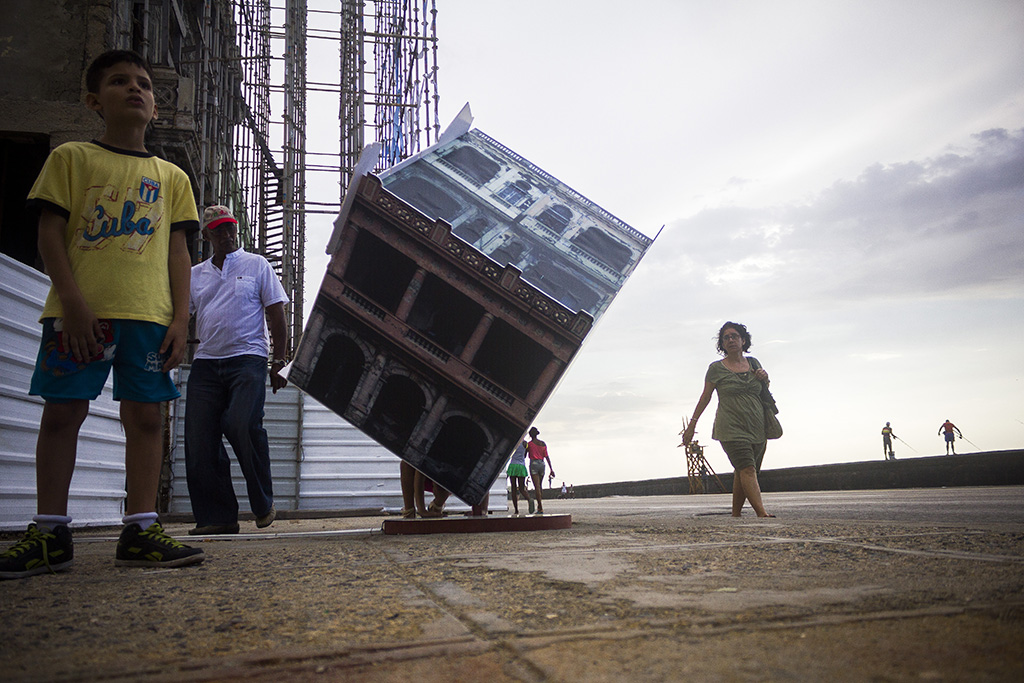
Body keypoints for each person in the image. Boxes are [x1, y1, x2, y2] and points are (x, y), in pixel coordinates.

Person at [0, 50, 205, 579]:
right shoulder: (71, 159)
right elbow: (49, 233)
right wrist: (72, 302)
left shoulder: (172, 178)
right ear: (95, 101)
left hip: (149, 319)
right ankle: (49, 533)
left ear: (156, 107)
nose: (135, 89)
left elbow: (178, 253)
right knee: (63, 412)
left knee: (146, 418)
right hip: (78, 316)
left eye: (143, 84)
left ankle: (140, 529)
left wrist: (181, 321)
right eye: (119, 82)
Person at [184, 205, 289, 535]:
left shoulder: (256, 264)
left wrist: (279, 361)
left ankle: (262, 503)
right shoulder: (195, 274)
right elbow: (181, 316)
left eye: (231, 227)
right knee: (200, 440)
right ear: (207, 235)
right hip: (206, 363)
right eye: (219, 229)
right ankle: (218, 518)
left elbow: (277, 315)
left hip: (248, 359)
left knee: (241, 422)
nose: (227, 234)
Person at [681, 321, 775, 518]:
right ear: (722, 344)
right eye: (726, 337)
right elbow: (705, 397)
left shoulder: (754, 363)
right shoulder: (716, 368)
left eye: (734, 336)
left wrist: (764, 378)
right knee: (747, 468)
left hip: (757, 426)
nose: (731, 340)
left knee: (744, 470)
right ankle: (761, 513)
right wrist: (692, 424)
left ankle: (735, 513)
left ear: (743, 340)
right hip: (730, 427)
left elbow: (764, 390)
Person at [526, 427, 555, 514]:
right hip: (542, 464)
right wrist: (551, 469)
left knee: (537, 487)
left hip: (534, 464)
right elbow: (547, 456)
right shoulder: (543, 444)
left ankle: (541, 507)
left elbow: (525, 454)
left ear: (530, 435)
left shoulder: (529, 444)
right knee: (540, 486)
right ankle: (539, 507)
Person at [507, 440, 533, 515]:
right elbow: (525, 456)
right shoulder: (525, 443)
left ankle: (516, 510)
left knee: (513, 489)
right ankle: (529, 499)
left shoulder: (513, 443)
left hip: (513, 465)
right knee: (522, 488)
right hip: (521, 466)